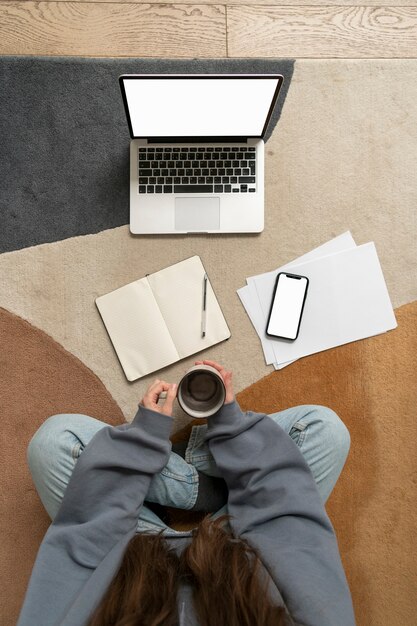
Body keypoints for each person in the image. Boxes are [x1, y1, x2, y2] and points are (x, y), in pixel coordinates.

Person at [18, 359, 356, 626]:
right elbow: (291, 534)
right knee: (325, 431)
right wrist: (232, 429)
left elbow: (81, 544)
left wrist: (141, 441)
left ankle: (188, 484)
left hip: (128, 552)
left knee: (54, 443)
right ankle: (207, 488)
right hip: (239, 545)